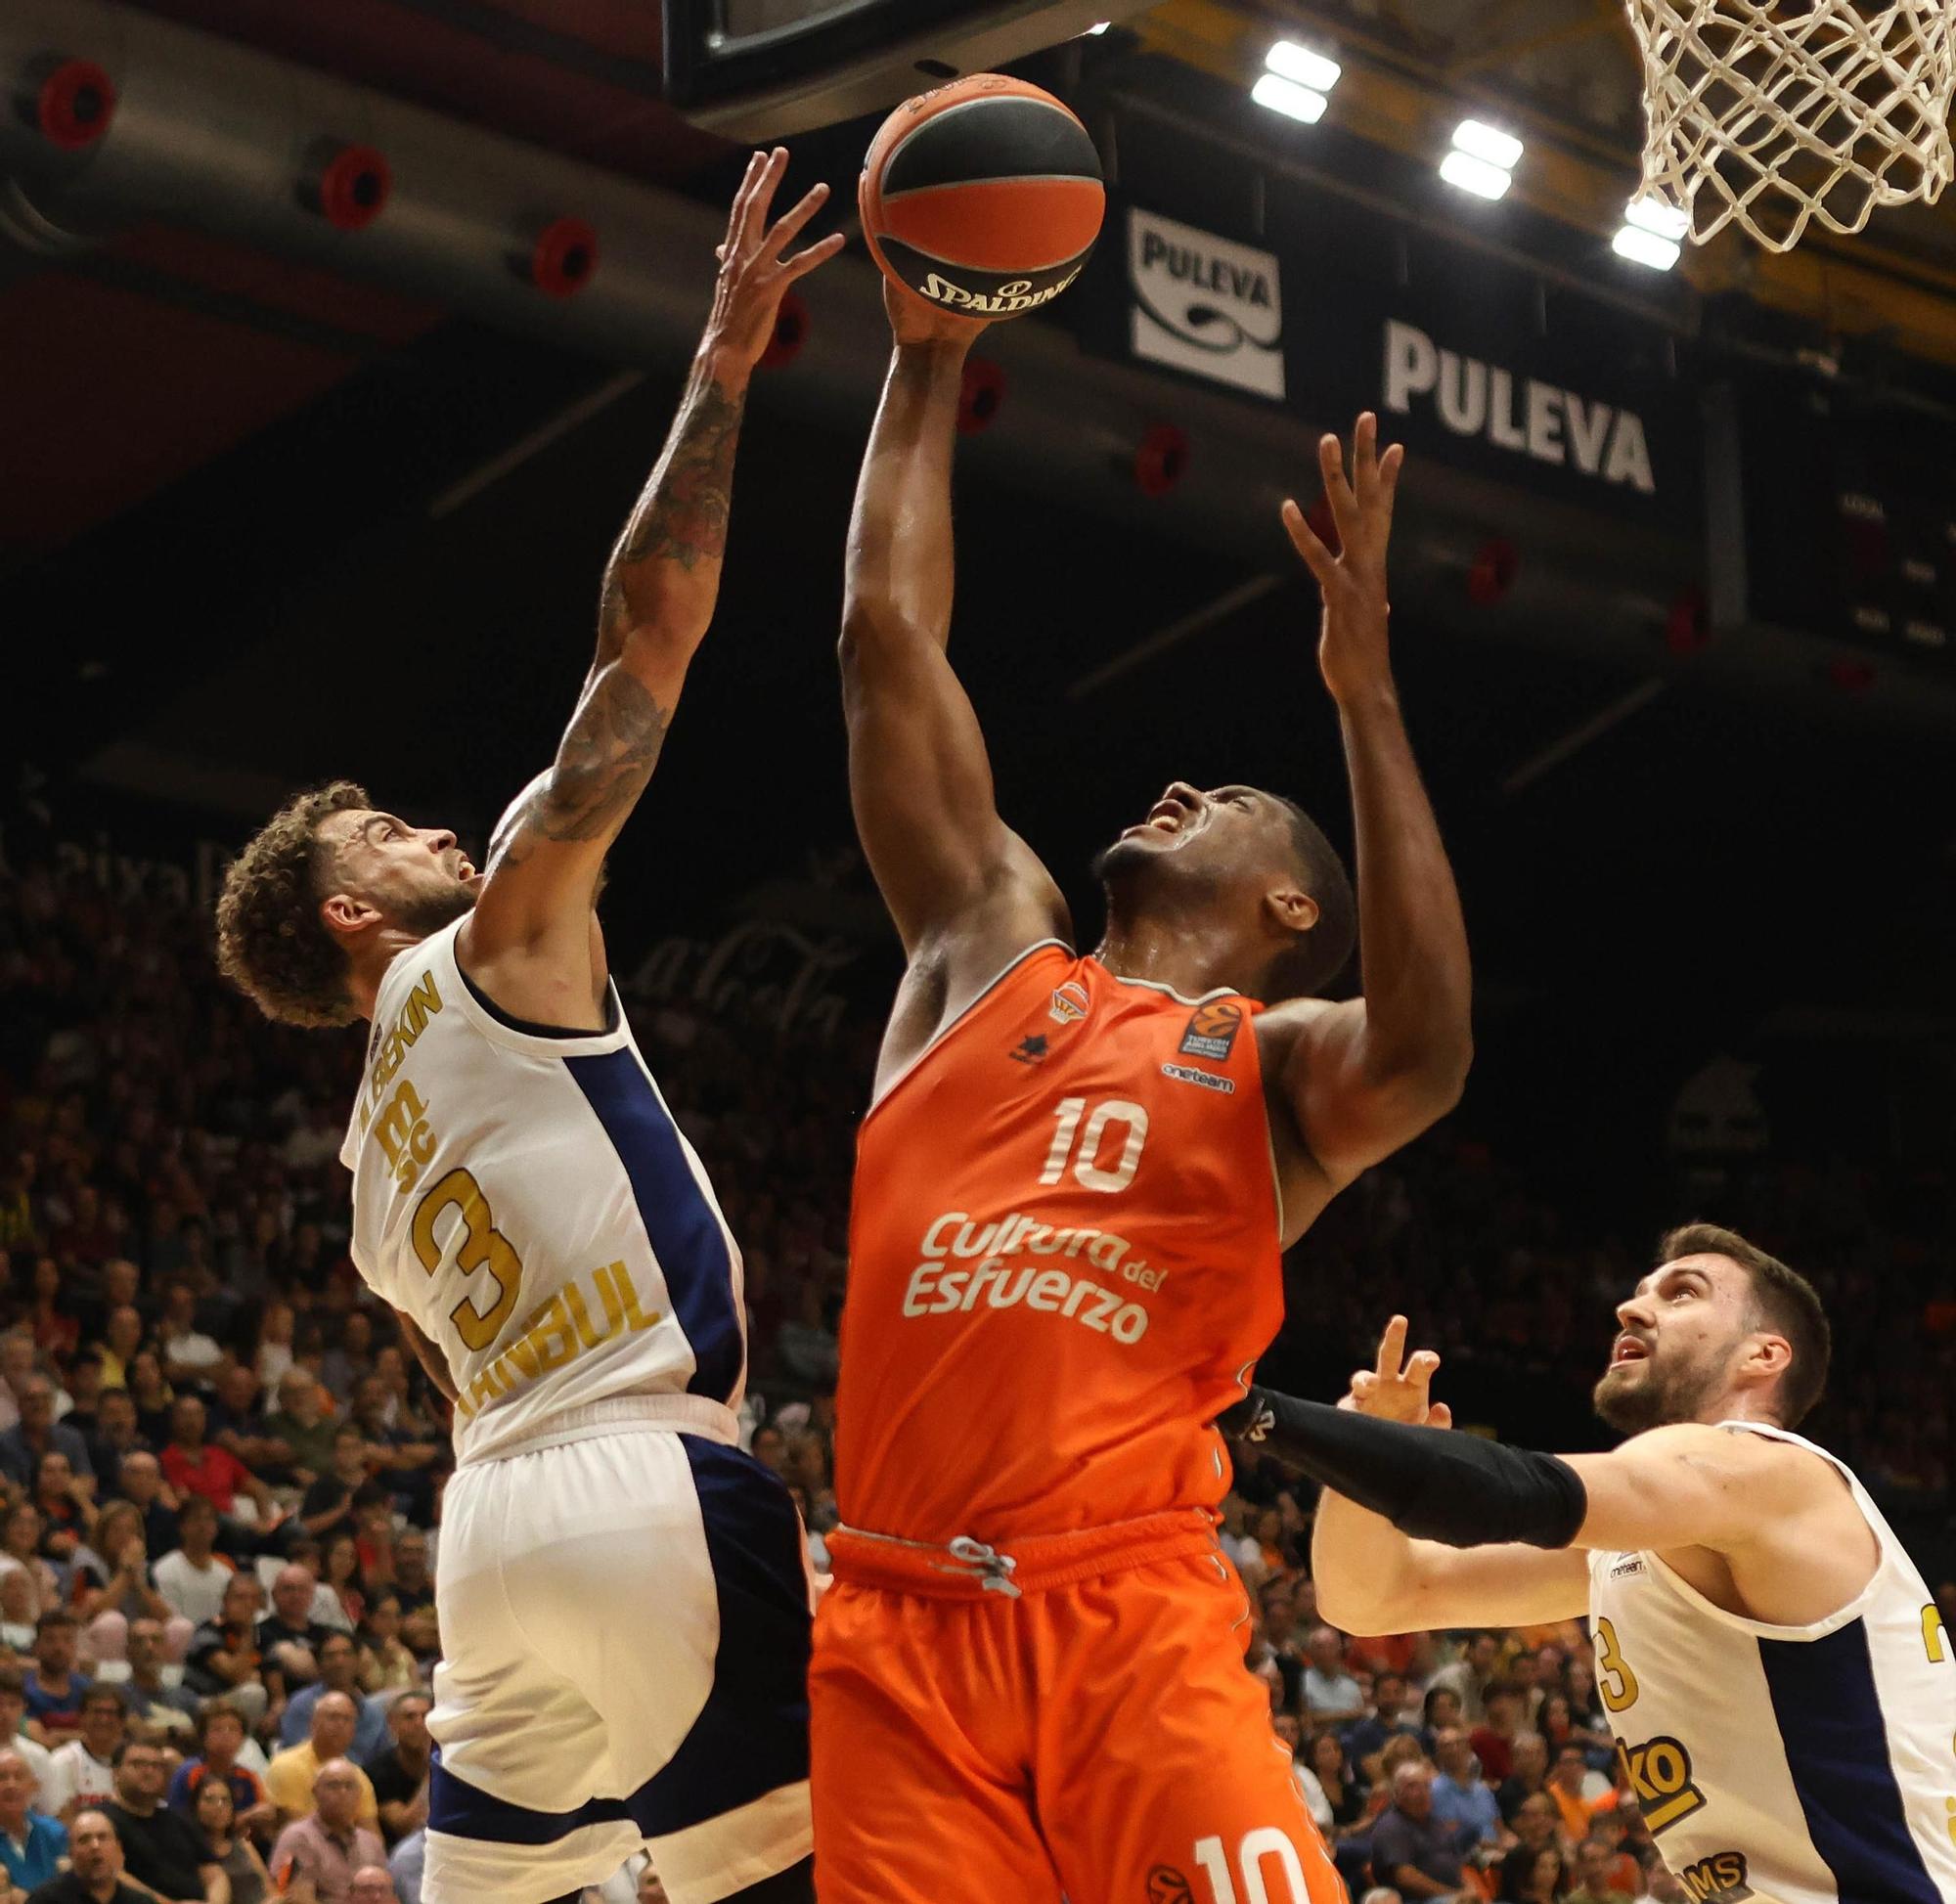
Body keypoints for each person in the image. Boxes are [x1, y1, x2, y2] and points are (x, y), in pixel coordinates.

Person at [211, 148, 841, 1904]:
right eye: (383, 837)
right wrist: (719, 369)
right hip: (647, 1479)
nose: (428, 827)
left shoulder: (361, 1177)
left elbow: (449, 1373)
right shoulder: (497, 939)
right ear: (352, 915)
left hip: (488, 1533)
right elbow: (646, 639)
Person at [809, 268, 1471, 1897]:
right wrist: (926, 353)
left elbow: (1428, 1052)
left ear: (1292, 911)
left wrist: (1364, 695)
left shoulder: (1274, 1070)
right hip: (895, 1632)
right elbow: (885, 644)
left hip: (1129, 1619)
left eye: (1228, 797)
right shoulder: (987, 951)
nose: (1176, 784)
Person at [1262, 1229, 1956, 1903]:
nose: (1630, 1307)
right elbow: (1371, 1598)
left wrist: (1256, 1410)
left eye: (1683, 1292)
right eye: (1638, 1291)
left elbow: (1520, 1492)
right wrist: (1364, 1453)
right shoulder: (1640, 1543)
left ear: (1763, 1353)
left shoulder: (1774, 1474)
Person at [101, 1739, 224, 1904]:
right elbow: (113, 1875)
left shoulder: (179, 1820)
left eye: (156, 1766)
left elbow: (214, 1874)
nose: (149, 1772)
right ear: (115, 1773)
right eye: (138, 1764)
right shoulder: (101, 1821)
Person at [268, 1760, 386, 1904]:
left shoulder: (371, 1843)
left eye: (349, 1786)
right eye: (333, 1786)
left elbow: (385, 1896)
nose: (342, 1792)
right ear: (315, 1792)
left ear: (359, 1794)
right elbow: (298, 1899)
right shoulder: (298, 1837)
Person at [264, 1697, 378, 1830]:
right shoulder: (286, 1765)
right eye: (333, 1717)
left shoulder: (358, 1777)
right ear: (313, 1724)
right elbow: (297, 1833)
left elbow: (372, 1837)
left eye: (347, 1720)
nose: (340, 1725)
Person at [167, 1702, 273, 1841]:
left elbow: (258, 1824)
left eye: (233, 1729)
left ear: (242, 1739)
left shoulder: (248, 1777)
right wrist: (244, 1818)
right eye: (217, 1729)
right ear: (203, 1737)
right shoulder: (189, 1773)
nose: (226, 1735)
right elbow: (181, 1824)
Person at [279, 1638, 386, 1767]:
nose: (339, 1662)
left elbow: (385, 1759)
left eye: (346, 1654)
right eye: (330, 1656)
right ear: (319, 1664)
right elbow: (295, 1755)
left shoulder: (374, 1714)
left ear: (358, 1661)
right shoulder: (302, 1705)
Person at [1368, 1762, 1467, 1902]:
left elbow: (1457, 1864)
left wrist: (1469, 1891)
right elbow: (1405, 1877)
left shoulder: (1436, 1824)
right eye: (1412, 1786)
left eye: (1426, 1786)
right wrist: (1452, 1895)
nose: (1421, 1792)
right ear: (1396, 1792)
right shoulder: (1391, 1827)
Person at [22, 1808, 148, 1904]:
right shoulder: (45, 1900)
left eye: (103, 1837)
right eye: (84, 1839)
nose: (95, 1846)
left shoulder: (140, 1902)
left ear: (118, 1849)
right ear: (71, 1853)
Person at [44, 1689, 122, 1821]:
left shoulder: (132, 1761)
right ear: (81, 1717)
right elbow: (60, 1820)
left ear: (122, 1721)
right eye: (97, 1712)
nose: (104, 1719)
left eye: (111, 1713)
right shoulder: (64, 1760)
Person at [361, 1696, 429, 1847]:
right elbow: (405, 1827)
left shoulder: (451, 1765)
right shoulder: (377, 1771)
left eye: (425, 1716)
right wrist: (432, 1771)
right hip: (397, 1855)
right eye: (410, 1717)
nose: (419, 1723)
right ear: (392, 1724)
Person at [0, 1748, 67, 1895]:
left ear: (34, 1786)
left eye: (19, 1777)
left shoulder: (55, 1833)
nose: (11, 1785)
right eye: (2, 1777)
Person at [193, 1778, 270, 1904]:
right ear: (195, 1807)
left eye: (225, 1800)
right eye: (209, 1799)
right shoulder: (192, 1850)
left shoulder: (244, 1845)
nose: (219, 1806)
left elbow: (269, 1887)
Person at [1429, 1728, 1502, 1856]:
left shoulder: (1483, 1790)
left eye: (1459, 1743)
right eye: (1446, 1746)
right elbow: (1454, 1836)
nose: (1454, 1749)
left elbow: (1500, 1828)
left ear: (1468, 1749)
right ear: (1438, 1753)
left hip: (1497, 1851)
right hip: (1467, 1855)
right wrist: (1499, 1846)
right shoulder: (1436, 1791)